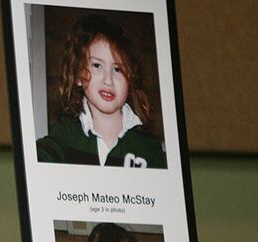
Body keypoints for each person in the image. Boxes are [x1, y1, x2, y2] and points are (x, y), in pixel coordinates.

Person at [36, 14, 166, 168]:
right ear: (78, 75)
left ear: (130, 80)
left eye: (117, 69)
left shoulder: (148, 148)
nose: (108, 79)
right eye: (97, 65)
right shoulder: (66, 134)